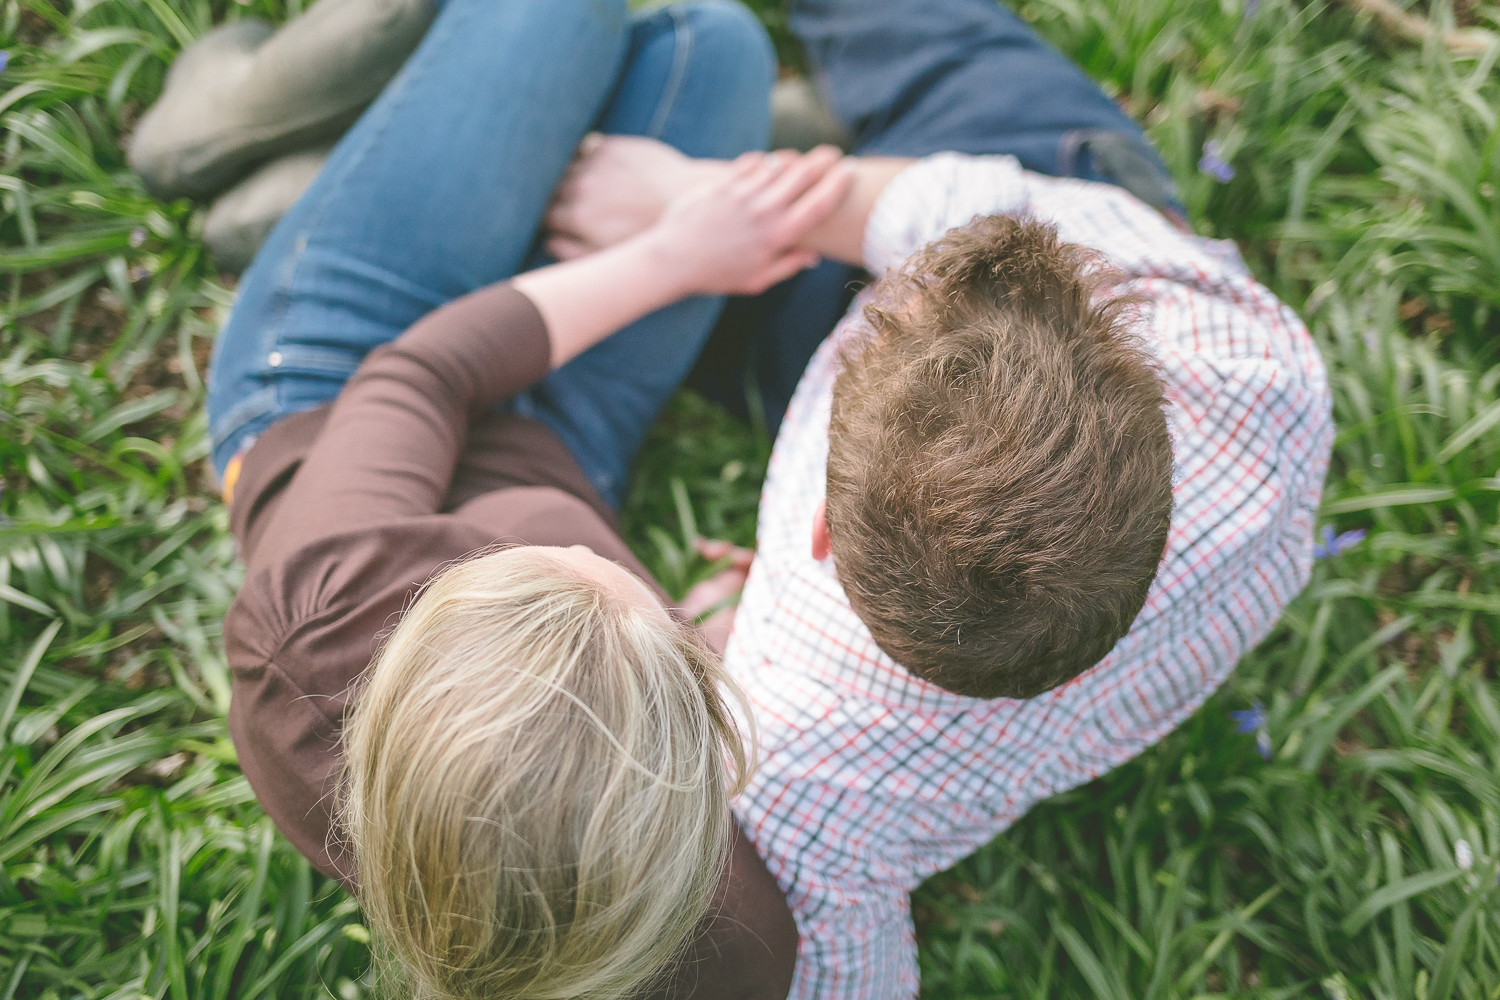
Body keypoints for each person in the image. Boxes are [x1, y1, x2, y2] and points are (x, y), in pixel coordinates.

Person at [545, 0, 1335, 995]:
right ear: (1139, 377)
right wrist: (690, 189)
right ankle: (765, 152)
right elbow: (956, 205)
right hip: (1049, 184)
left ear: (818, 532)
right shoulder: (1245, 369)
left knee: (655, 264)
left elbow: (931, 234)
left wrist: (683, 216)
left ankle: (711, 147)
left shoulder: (789, 716)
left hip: (909, 299)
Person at [163, 0, 859, 997]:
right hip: (568, 443)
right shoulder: (736, 945)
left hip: (335, 374)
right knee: (711, 53)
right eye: (667, 659)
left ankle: (226, 126)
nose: (600, 562)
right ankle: (440, 176)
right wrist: (731, 643)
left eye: (548, 577)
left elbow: (422, 377)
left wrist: (677, 258)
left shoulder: (316, 629)